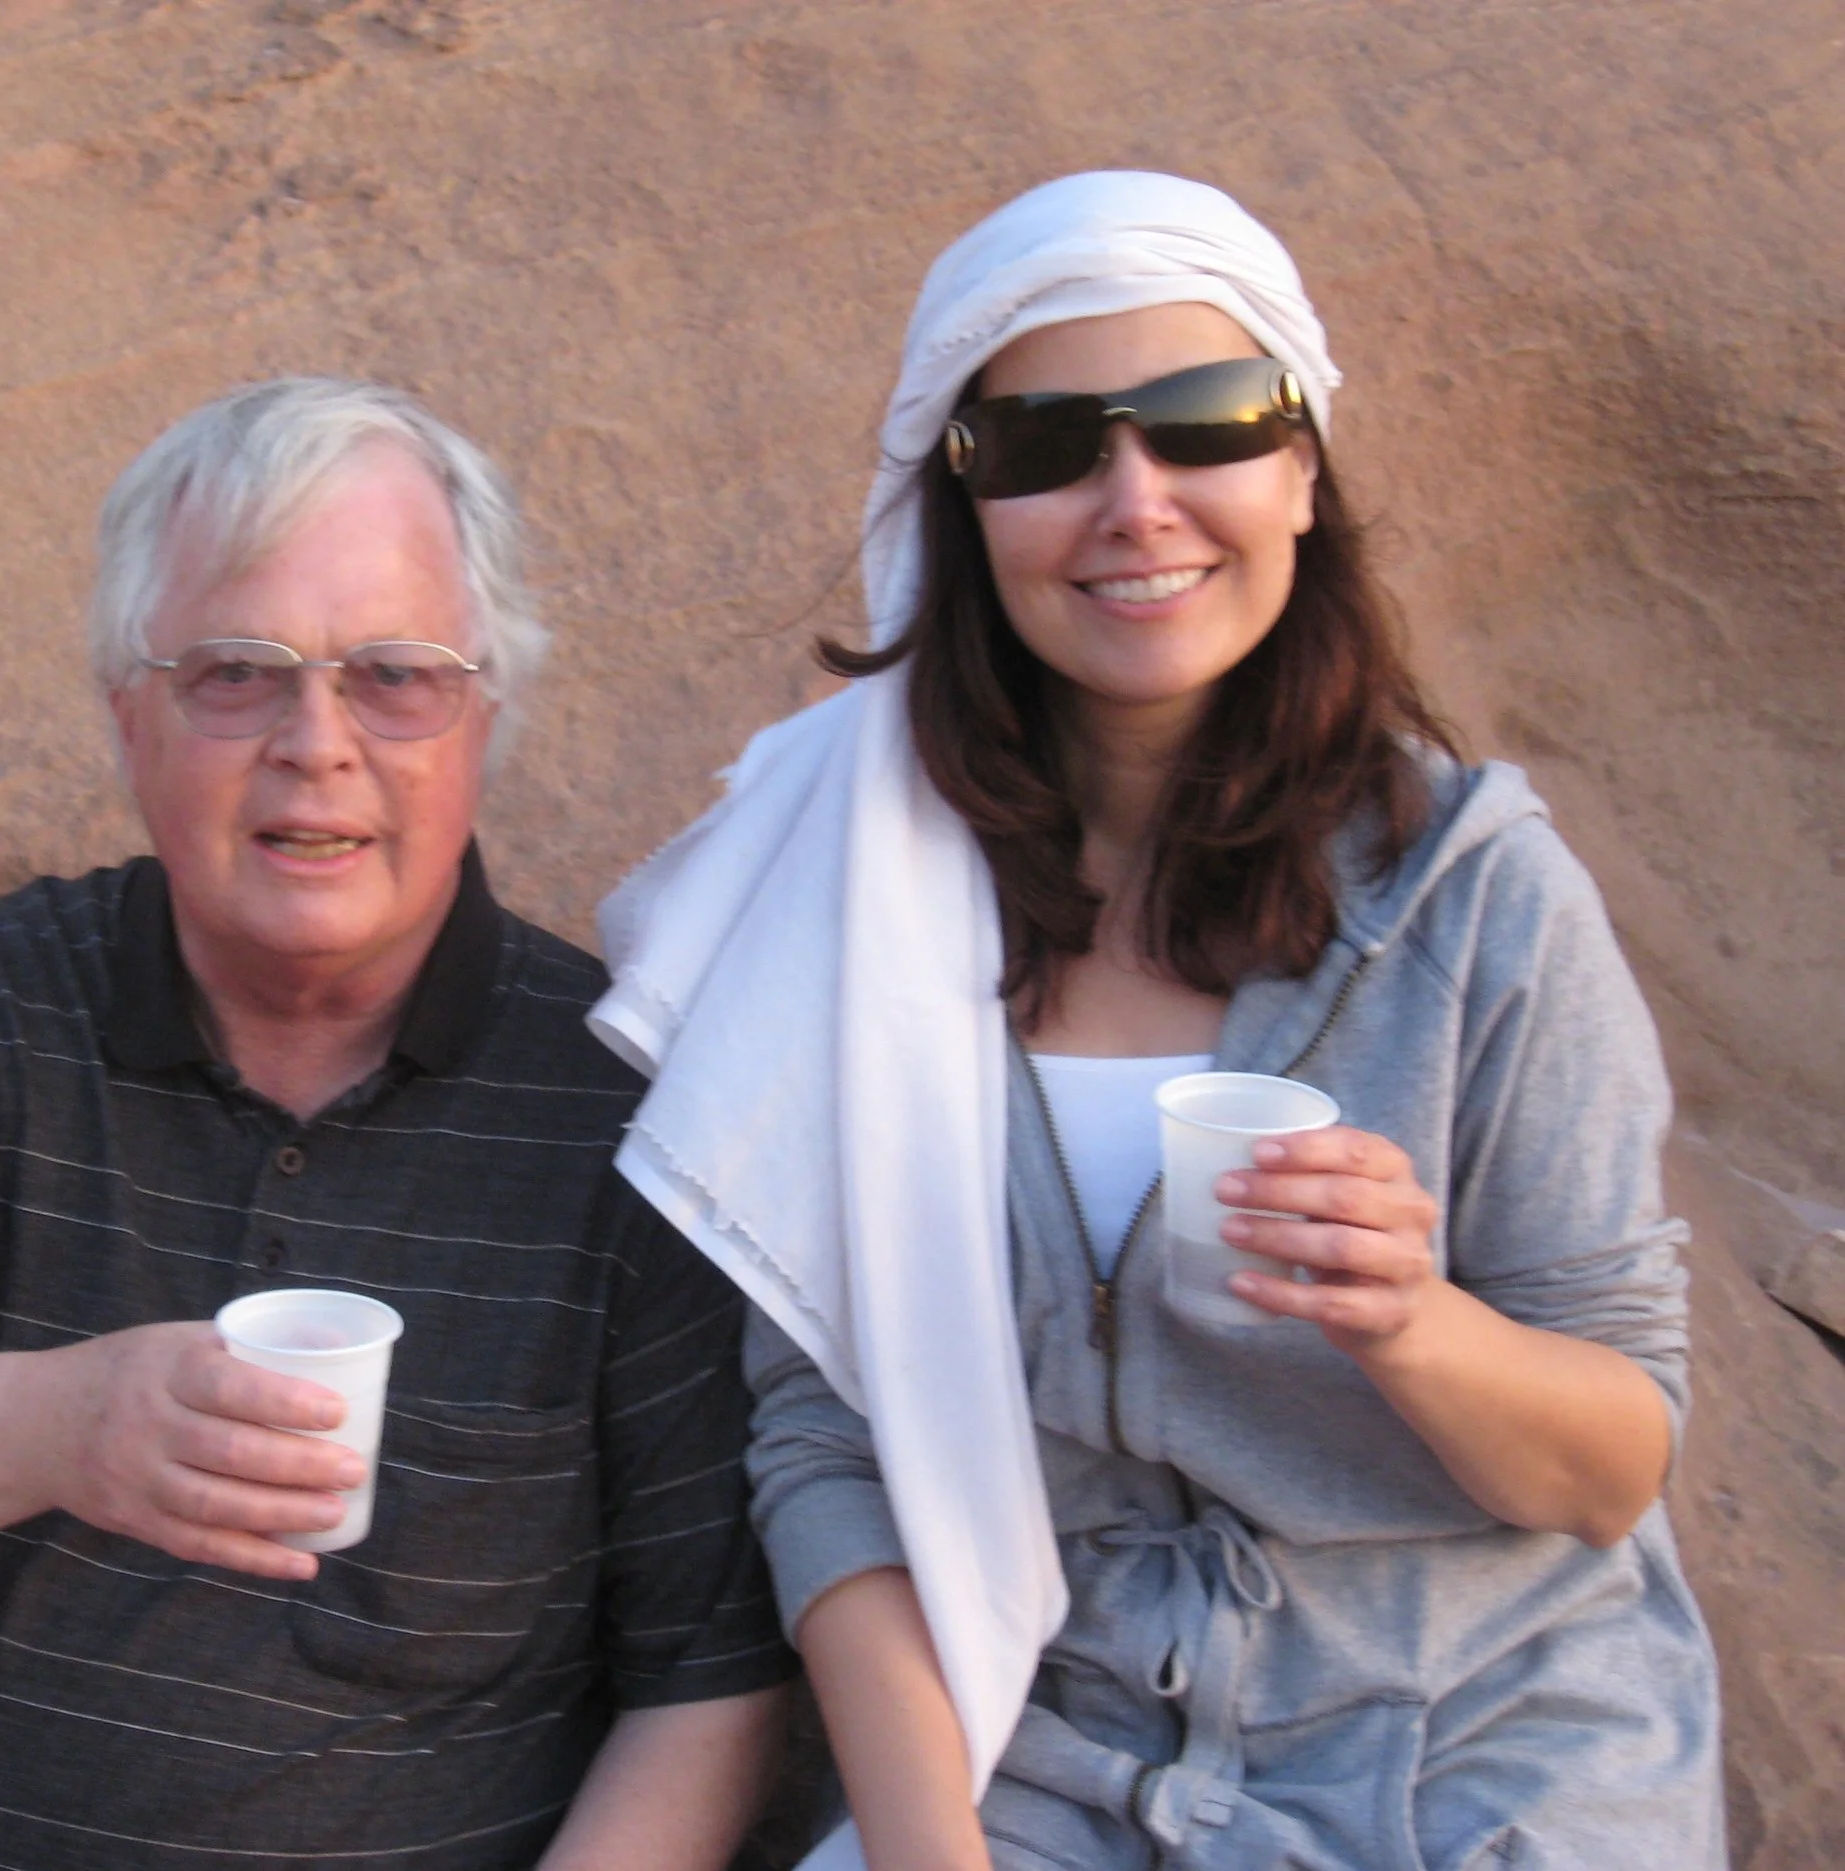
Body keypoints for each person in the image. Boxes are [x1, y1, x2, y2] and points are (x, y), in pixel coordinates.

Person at [589, 173, 1724, 1870]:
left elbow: (1606, 1467)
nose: (1136, 501)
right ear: (964, 501)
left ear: (1302, 468)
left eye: (1206, 423)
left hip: (1477, 1748)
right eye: (1047, 444)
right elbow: (826, 1444)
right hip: (1049, 1753)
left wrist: (1407, 1319)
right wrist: (931, 1850)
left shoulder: (1477, 897)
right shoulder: (857, 891)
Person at [0, 377, 792, 1871]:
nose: (316, 740)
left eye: (395, 674)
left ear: (484, 717)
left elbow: (706, 1686)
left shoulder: (620, 1105)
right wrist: (61, 1425)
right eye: (237, 672)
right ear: (129, 717)